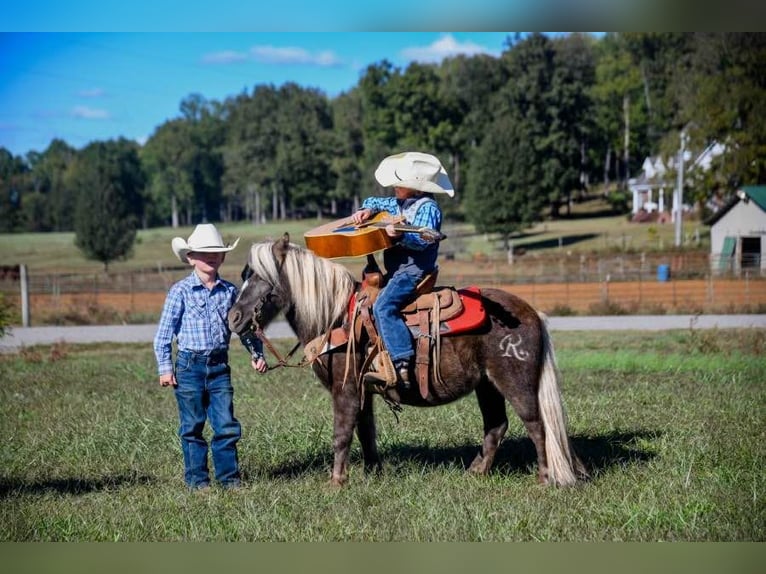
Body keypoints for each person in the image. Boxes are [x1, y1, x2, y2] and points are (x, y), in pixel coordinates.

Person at [153, 223, 268, 491]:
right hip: (189, 366)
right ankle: (197, 481)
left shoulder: (229, 292)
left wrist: (256, 353)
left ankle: (229, 480)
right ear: (190, 257)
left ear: (223, 256)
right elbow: (163, 335)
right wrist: (165, 368)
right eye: (204, 253)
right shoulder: (180, 292)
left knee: (226, 425)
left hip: (218, 367)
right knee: (192, 427)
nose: (211, 257)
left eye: (216, 252)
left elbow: (243, 329)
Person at [351, 151, 454, 391]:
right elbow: (375, 201)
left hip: (413, 271)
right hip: (398, 270)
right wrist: (365, 210)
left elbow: (424, 240)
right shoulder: (399, 203)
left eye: (401, 183)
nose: (395, 186)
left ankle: (401, 362)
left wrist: (402, 235)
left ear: (417, 189)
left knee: (383, 306)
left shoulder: (428, 208)